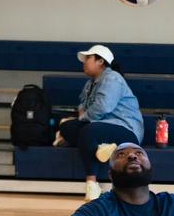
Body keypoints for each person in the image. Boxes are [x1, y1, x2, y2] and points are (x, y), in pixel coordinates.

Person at [54, 45, 144, 202]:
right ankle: (103, 146)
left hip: (125, 128)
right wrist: (81, 113)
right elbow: (82, 103)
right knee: (66, 127)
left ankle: (91, 183)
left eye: (88, 58)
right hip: (100, 125)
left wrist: (82, 117)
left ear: (100, 61)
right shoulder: (90, 84)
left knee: (88, 131)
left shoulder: (112, 79)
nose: (84, 62)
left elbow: (102, 107)